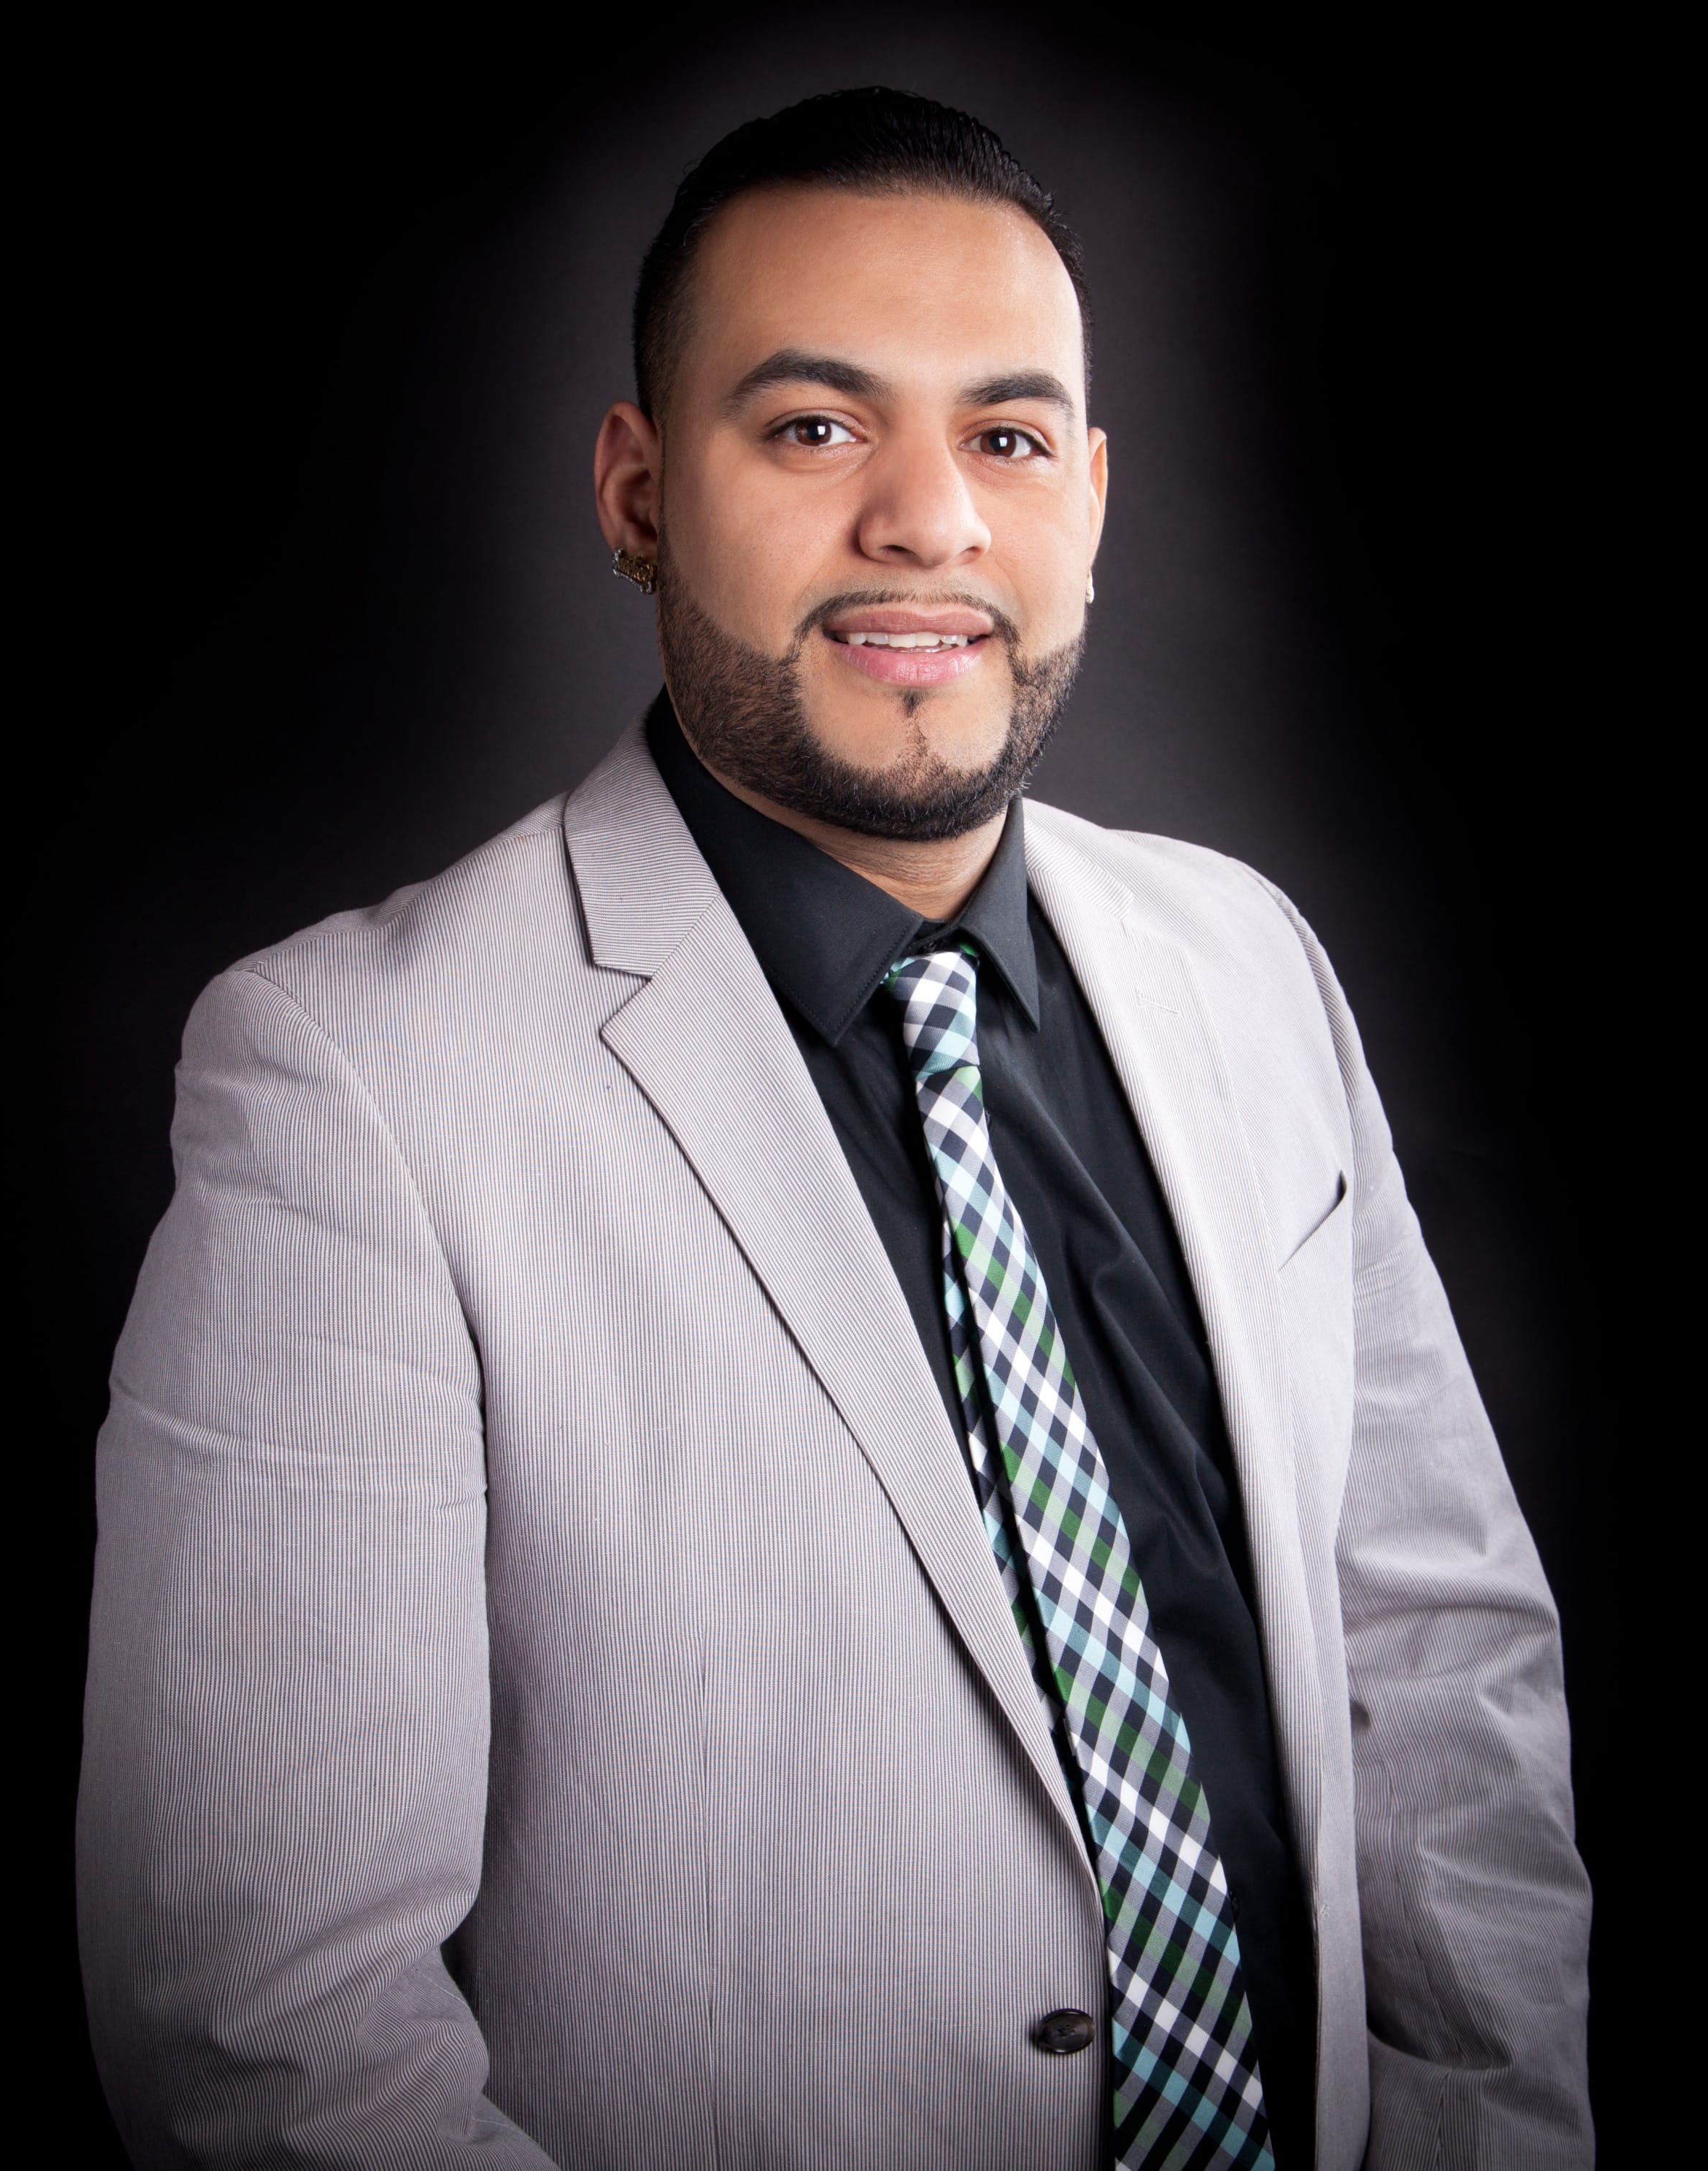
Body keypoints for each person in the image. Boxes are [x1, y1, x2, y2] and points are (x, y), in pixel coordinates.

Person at [77, 88, 1591, 2170]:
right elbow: (272, 2037)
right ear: (636, 493)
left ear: (1090, 496)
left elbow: (1440, 1674)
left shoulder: (1246, 962)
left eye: (1008, 437)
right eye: (812, 426)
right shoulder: (355, 1081)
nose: (929, 522)